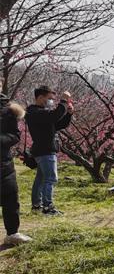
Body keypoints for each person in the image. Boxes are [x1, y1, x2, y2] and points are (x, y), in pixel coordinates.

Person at [25, 86, 73, 215]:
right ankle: (48, 207)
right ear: (41, 97)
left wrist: (68, 114)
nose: (51, 101)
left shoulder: (39, 113)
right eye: (50, 98)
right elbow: (54, 116)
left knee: (41, 179)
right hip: (45, 150)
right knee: (51, 178)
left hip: (43, 150)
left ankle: (37, 205)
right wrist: (63, 101)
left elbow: (58, 124)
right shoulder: (35, 112)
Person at [0, 92, 32, 245]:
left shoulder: (9, 110)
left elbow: (15, 135)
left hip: (4, 162)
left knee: (11, 197)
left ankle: (12, 233)